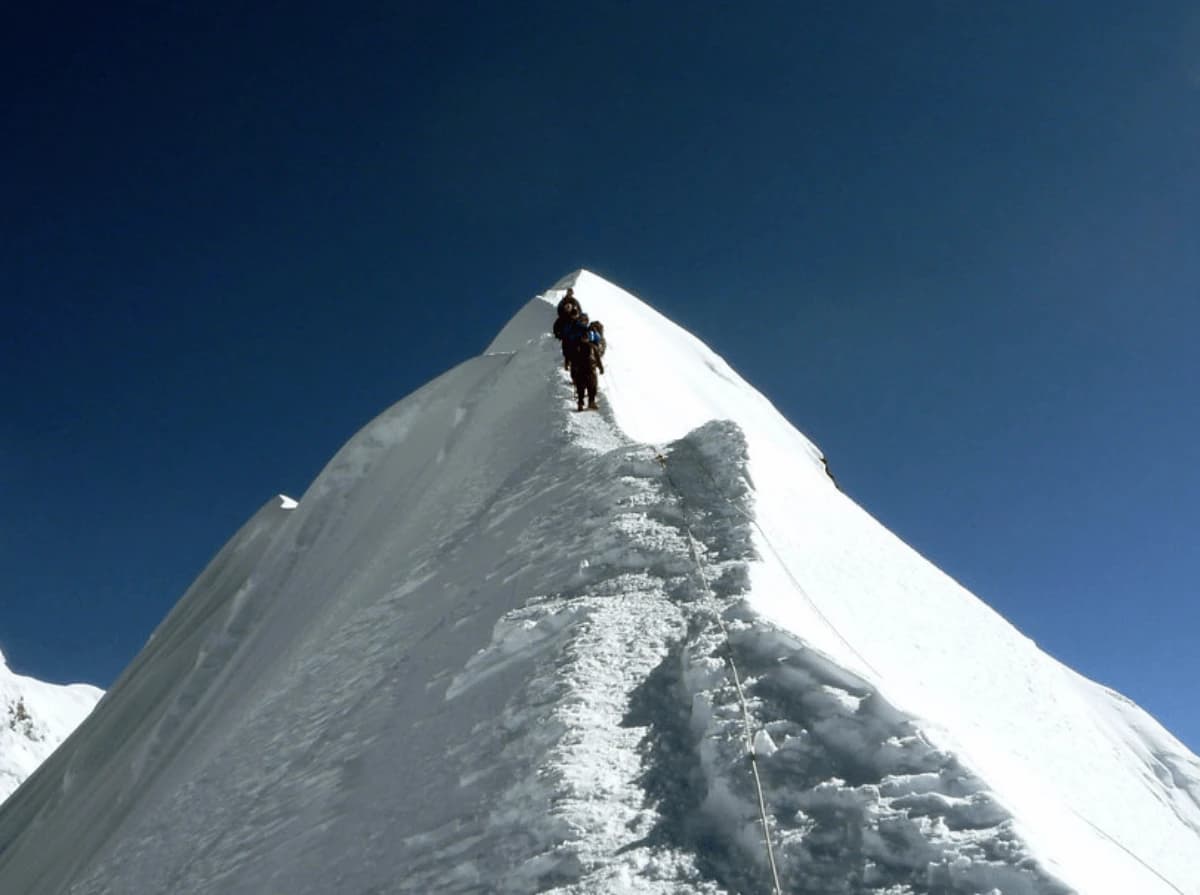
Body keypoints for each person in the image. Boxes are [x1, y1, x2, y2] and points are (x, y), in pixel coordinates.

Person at [568, 325, 604, 411]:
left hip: (581, 370)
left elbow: (573, 360)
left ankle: (581, 403)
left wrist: (573, 371)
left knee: (581, 388)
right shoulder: (592, 347)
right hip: (590, 370)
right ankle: (590, 402)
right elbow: (597, 358)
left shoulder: (577, 347)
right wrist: (600, 367)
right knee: (592, 387)